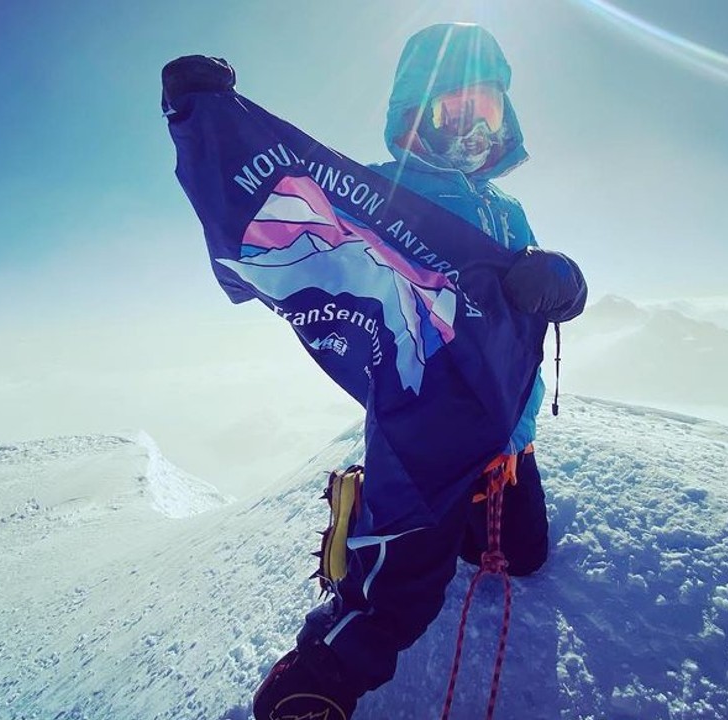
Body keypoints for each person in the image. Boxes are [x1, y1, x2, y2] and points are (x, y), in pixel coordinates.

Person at [251, 23, 587, 720]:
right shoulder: (381, 191)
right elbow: (299, 216)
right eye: (452, 111)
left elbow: (540, 305)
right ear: (414, 116)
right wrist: (209, 122)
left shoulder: (507, 210)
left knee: (523, 556)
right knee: (405, 586)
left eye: (485, 111)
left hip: (503, 427)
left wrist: (563, 282)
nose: (473, 130)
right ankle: (321, 672)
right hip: (423, 427)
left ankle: (448, 507)